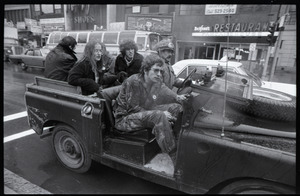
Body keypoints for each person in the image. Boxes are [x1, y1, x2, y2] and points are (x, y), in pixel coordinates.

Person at [113, 54, 183, 165]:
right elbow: (133, 109)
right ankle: (173, 155)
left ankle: (176, 141)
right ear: (145, 69)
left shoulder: (156, 80)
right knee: (159, 115)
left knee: (177, 108)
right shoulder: (134, 82)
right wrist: (161, 113)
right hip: (125, 118)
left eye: (161, 71)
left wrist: (177, 97)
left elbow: (164, 89)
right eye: (156, 70)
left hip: (146, 110)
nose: (159, 74)